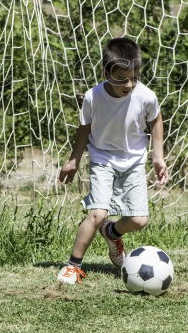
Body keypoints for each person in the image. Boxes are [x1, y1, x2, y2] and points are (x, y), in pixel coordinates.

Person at [56, 37, 168, 284]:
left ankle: (112, 231)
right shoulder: (92, 97)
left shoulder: (146, 96)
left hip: (134, 161)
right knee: (97, 213)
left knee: (139, 220)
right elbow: (84, 129)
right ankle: (74, 266)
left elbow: (156, 120)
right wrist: (73, 160)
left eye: (134, 77)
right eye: (122, 78)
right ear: (106, 72)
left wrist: (158, 157)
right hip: (102, 158)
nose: (129, 84)